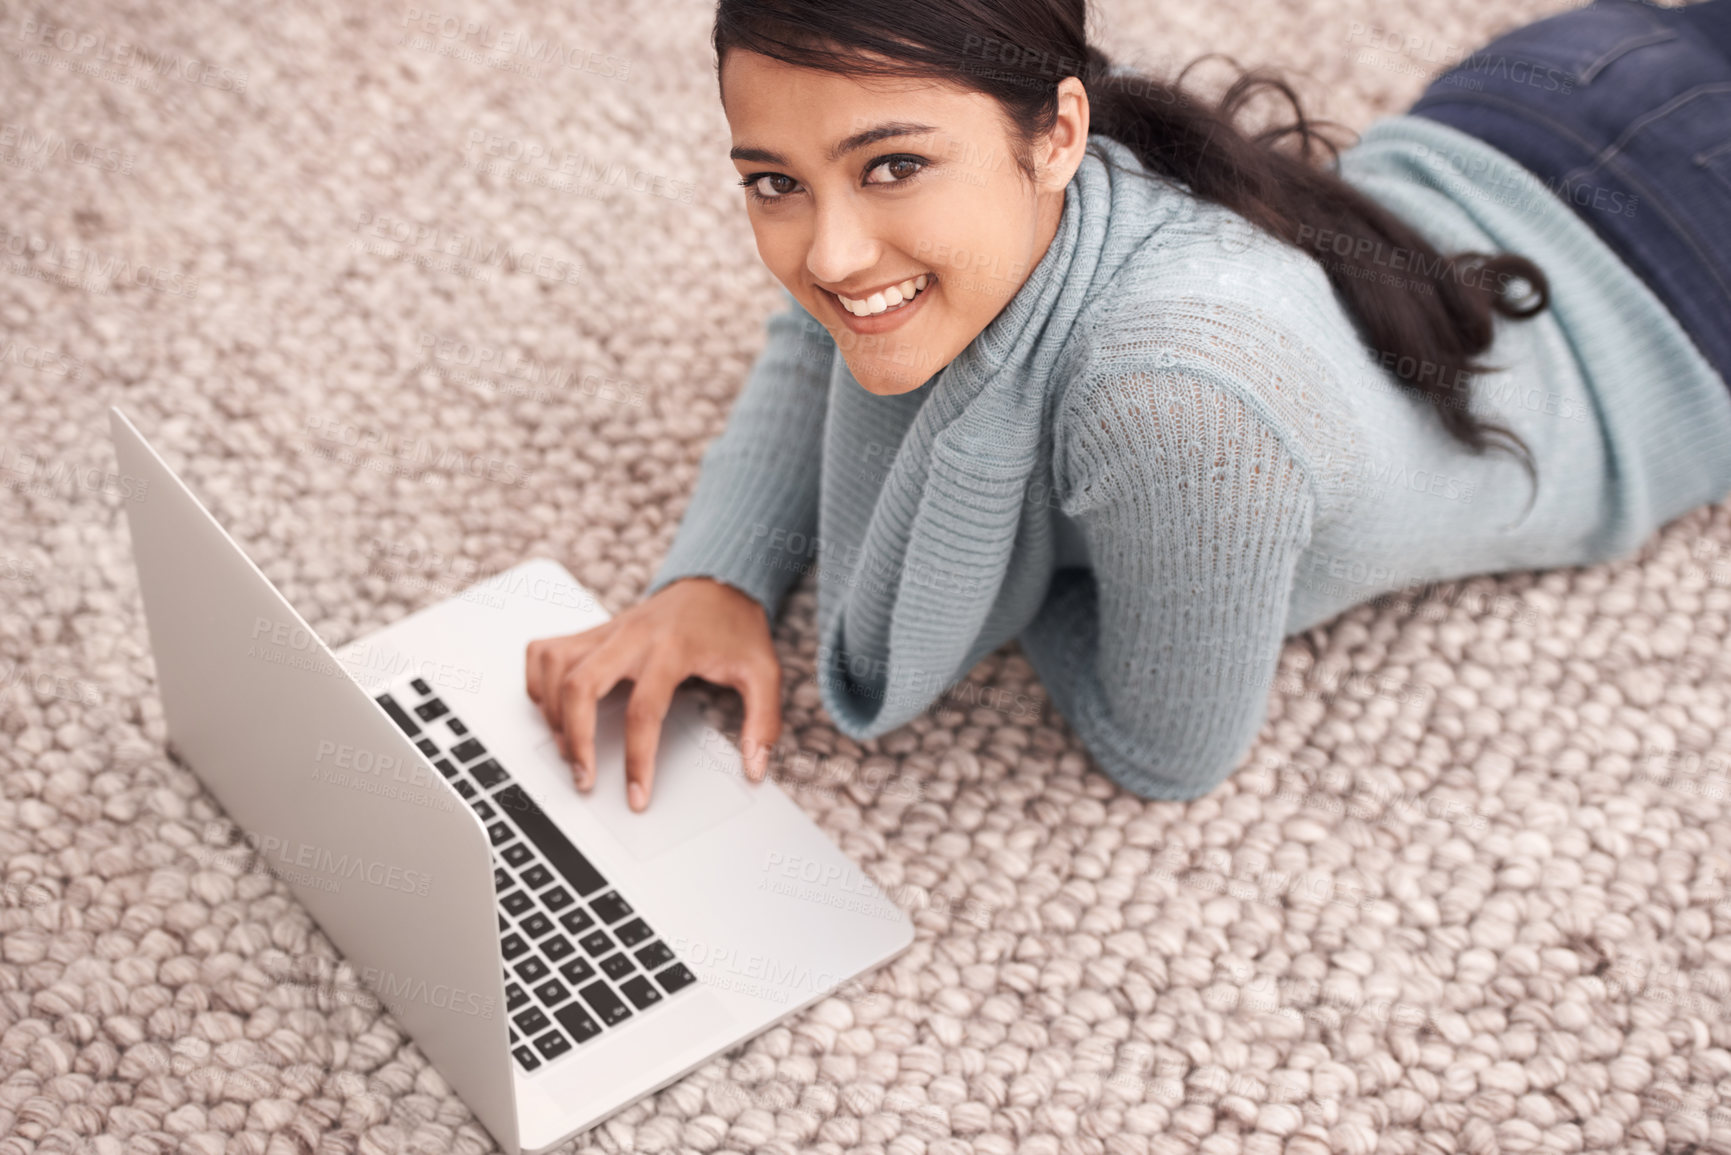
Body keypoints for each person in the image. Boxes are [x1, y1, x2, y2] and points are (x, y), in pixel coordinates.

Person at [525, 0, 1731, 811]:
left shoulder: (1178, 405)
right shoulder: (1048, 185)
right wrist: (716, 578)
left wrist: (1014, 519)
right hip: (1557, 95)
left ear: (1059, 133)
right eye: (776, 182)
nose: (834, 253)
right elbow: (819, 329)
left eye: (893, 165)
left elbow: (1170, 751)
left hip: (1693, 287)